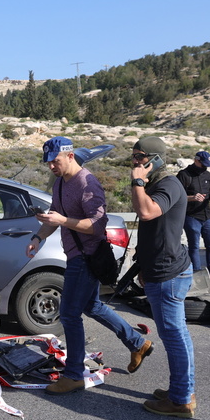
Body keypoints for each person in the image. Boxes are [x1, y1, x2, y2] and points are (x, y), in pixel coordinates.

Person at [26, 136, 153, 396]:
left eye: (55, 161)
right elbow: (55, 219)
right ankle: (137, 342)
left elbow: (96, 226)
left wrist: (63, 219)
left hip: (87, 257)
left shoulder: (87, 182)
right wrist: (38, 237)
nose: (51, 166)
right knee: (92, 306)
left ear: (70, 156)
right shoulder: (60, 183)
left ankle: (73, 375)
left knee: (70, 315)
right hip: (76, 255)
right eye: (48, 163)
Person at [130, 136, 196, 418]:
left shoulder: (168, 183)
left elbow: (146, 212)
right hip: (159, 271)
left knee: (174, 337)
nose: (135, 161)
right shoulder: (157, 184)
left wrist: (137, 181)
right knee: (177, 335)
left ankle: (180, 400)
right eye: (133, 156)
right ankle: (183, 390)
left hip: (169, 274)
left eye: (140, 156)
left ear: (155, 159)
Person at [177, 151, 210, 288]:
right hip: (191, 216)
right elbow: (177, 196)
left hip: (207, 216)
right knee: (194, 247)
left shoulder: (207, 174)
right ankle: (197, 277)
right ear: (196, 160)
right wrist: (192, 198)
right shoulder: (184, 175)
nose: (205, 167)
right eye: (203, 164)